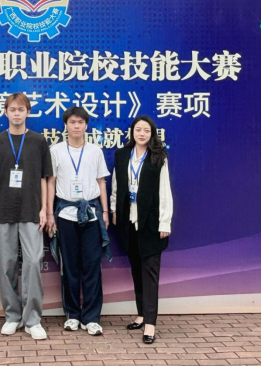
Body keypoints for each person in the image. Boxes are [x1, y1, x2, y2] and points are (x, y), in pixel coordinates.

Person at [0, 93, 53, 341]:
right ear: (5, 112)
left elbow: (44, 178)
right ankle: (12, 316)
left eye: (21, 109)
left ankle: (33, 319)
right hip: (2, 210)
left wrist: (45, 209)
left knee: (33, 262)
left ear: (28, 112)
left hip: (31, 210)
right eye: (12, 109)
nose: (17, 113)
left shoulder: (38, 141)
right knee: (6, 265)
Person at [46, 107, 112, 337]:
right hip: (65, 214)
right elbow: (51, 183)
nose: (76, 126)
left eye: (81, 122)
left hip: (91, 214)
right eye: (72, 122)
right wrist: (49, 214)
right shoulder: (55, 150)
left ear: (86, 125)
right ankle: (72, 315)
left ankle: (92, 318)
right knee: (70, 267)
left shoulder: (95, 151)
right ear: (65, 125)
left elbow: (101, 182)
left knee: (92, 266)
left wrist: (105, 211)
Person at [111, 115, 173, 345]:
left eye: (146, 130)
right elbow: (116, 185)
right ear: (132, 132)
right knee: (136, 271)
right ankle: (141, 314)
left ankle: (150, 324)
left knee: (150, 273)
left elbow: (165, 190)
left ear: (152, 133)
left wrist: (165, 222)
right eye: (138, 129)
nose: (142, 134)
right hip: (128, 221)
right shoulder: (121, 155)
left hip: (151, 222)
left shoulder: (159, 157)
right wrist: (114, 209)